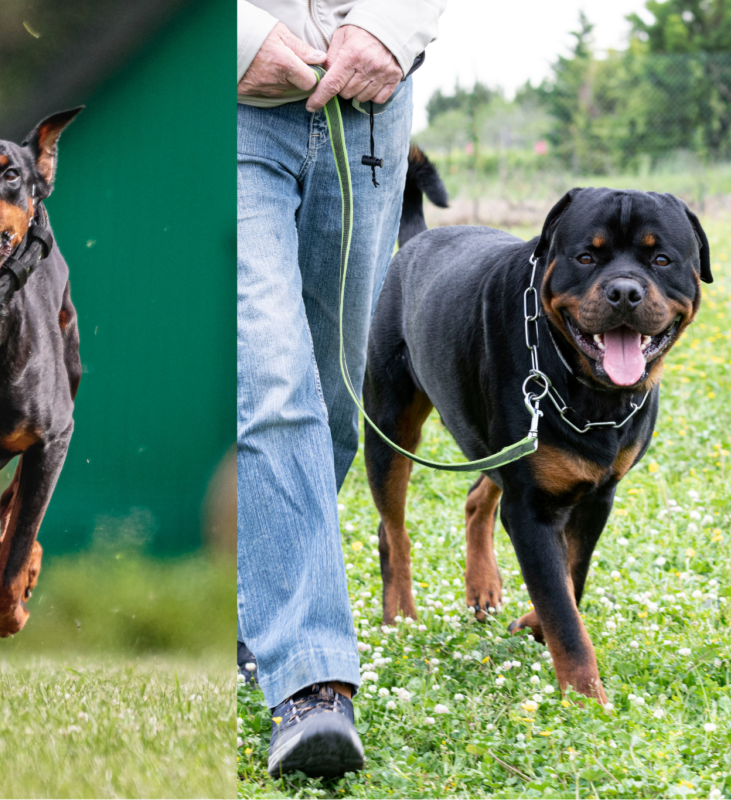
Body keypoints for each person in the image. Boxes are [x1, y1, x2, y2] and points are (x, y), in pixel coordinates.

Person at [236, 0, 445, 779]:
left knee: (331, 405)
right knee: (273, 378)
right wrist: (235, 39)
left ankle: (251, 600)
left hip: (370, 116)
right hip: (232, 110)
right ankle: (312, 685)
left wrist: (391, 27)